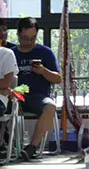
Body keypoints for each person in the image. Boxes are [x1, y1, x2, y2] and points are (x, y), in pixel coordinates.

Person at [9, 17, 62, 160]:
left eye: (33, 38)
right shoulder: (10, 54)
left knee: (50, 107)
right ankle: (6, 144)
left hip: (37, 97)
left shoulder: (45, 52)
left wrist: (44, 71)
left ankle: (32, 147)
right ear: (18, 35)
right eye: (25, 38)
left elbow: (58, 79)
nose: (29, 42)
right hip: (13, 96)